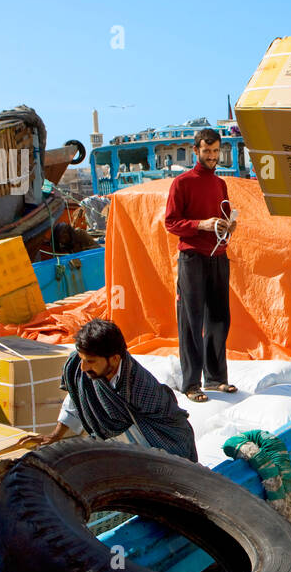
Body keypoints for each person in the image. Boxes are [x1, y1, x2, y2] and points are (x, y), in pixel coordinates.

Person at [42, 319, 197, 462]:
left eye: (90, 361)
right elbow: (76, 398)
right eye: (82, 359)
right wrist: (56, 435)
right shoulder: (80, 366)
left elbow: (164, 427)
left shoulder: (139, 387)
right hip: (117, 447)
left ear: (115, 359)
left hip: (149, 444)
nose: (83, 367)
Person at [165, 128, 237, 403]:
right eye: (207, 151)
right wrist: (200, 225)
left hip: (219, 255)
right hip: (192, 258)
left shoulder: (220, 184)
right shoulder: (181, 183)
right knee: (191, 321)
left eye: (216, 151)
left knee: (219, 318)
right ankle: (191, 383)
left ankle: (217, 378)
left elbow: (224, 215)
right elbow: (171, 222)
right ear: (195, 151)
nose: (212, 156)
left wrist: (229, 226)